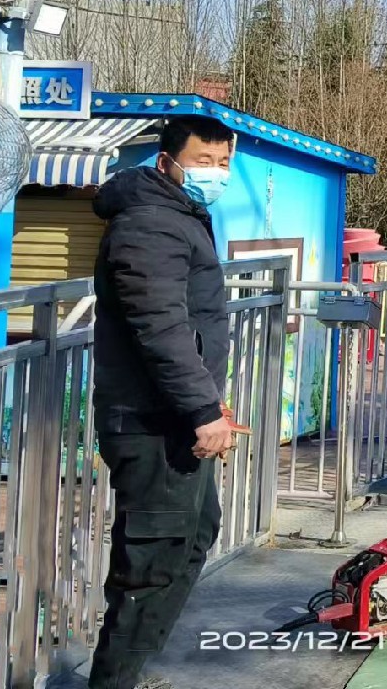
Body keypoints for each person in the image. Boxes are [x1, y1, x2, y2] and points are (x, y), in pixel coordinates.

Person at [87, 115, 241, 689]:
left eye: (224, 164)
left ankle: (130, 671)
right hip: (152, 423)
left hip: (174, 416)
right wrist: (202, 409)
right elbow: (160, 325)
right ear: (167, 162)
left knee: (194, 534)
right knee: (151, 564)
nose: (215, 174)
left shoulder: (177, 215)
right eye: (203, 161)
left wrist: (207, 404)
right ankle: (113, 680)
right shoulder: (150, 222)